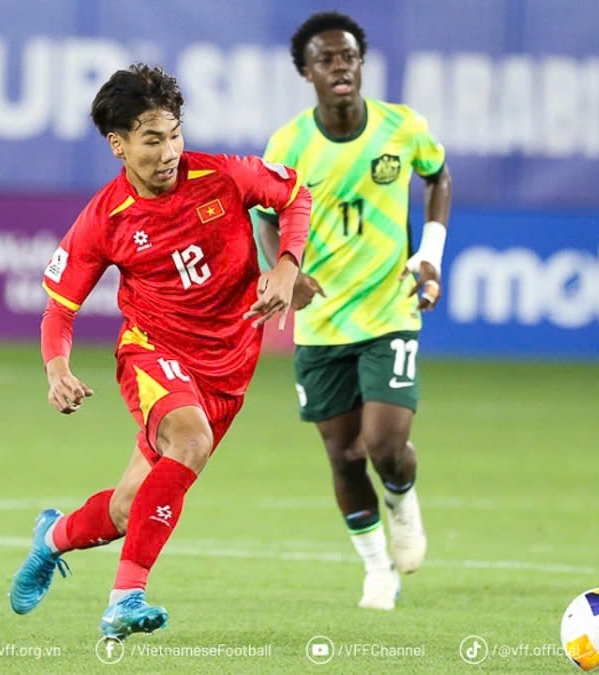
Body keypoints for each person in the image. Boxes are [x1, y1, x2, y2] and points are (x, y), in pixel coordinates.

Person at [8, 64, 309, 640]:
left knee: (129, 510)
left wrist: (287, 266)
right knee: (189, 440)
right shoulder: (105, 218)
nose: (169, 151)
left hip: (228, 368)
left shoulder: (224, 176)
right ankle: (126, 598)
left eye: (174, 134)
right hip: (154, 351)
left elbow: (296, 194)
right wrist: (58, 368)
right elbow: (59, 308)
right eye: (152, 139)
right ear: (118, 145)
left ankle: (51, 537)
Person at [254, 11, 453, 610]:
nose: (340, 67)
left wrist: (429, 255)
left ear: (360, 64)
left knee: (385, 444)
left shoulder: (401, 126)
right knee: (342, 455)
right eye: (327, 60)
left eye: (349, 57)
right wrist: (285, 273)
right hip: (320, 322)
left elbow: (438, 177)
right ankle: (376, 570)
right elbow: (263, 213)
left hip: (389, 309)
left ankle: (401, 498)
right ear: (306, 72)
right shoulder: (290, 144)